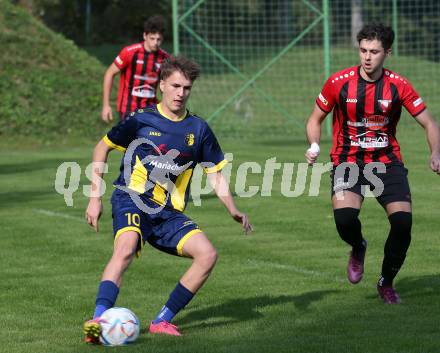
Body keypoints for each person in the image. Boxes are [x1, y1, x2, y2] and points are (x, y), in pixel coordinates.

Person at [83, 55, 252, 344]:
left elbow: (216, 175)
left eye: (186, 88)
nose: (180, 93)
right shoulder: (141, 119)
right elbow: (102, 148)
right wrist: (94, 197)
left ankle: (162, 320)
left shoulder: (198, 130)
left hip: (168, 212)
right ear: (162, 85)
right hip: (131, 198)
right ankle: (98, 320)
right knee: (125, 248)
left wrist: (233, 209)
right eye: (175, 86)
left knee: (208, 255)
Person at [305, 23, 440, 304]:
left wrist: (435, 152)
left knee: (403, 224)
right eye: (363, 50)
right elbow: (314, 119)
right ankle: (358, 246)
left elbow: (429, 123)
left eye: (374, 52)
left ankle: (386, 283)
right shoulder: (338, 82)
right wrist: (315, 145)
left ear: (387, 52)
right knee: (345, 219)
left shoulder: (398, 86)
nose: (367, 57)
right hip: (347, 160)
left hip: (386, 163)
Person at [101, 15, 169, 122]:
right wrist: (106, 105)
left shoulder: (164, 58)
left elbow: (166, 83)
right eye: (152, 38)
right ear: (144, 36)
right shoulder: (130, 52)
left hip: (150, 110)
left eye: (159, 39)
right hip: (128, 109)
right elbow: (110, 73)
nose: (155, 42)